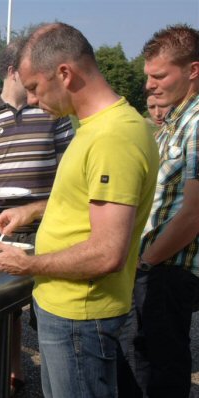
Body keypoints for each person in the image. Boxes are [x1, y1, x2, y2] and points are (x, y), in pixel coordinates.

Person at [0, 22, 159, 398]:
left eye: (34, 87)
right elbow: (91, 199)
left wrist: (27, 264)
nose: (31, 99)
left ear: (65, 74)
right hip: (66, 311)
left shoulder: (113, 136)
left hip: (79, 317)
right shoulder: (93, 127)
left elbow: (106, 252)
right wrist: (33, 210)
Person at [0, 38, 73, 396]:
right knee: (5, 305)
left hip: (47, 223)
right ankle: (12, 368)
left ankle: (57, 373)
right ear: (12, 71)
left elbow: (69, 166)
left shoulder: (52, 109)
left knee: (48, 302)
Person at [127, 24, 199, 397]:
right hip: (158, 266)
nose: (150, 85)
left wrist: (147, 262)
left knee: (163, 365)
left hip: (169, 269)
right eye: (148, 77)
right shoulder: (176, 120)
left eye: (159, 75)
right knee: (145, 354)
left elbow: (193, 214)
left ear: (193, 70)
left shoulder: (198, 122)